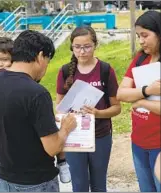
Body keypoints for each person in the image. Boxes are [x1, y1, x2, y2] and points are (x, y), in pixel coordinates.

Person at [0, 30, 77, 192]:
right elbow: (53, 147)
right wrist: (65, 128)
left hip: (3, 178)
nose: (45, 68)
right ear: (41, 56)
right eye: (47, 61)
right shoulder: (37, 93)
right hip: (35, 182)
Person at [56, 26, 121, 192]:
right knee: (79, 185)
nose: (82, 51)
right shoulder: (65, 71)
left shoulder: (106, 70)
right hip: (74, 136)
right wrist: (68, 114)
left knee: (99, 185)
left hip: (100, 136)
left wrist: (98, 113)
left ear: (95, 45)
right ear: (72, 47)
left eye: (87, 46)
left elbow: (116, 108)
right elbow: (60, 108)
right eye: (77, 47)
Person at [117, 11, 161, 192]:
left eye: (145, 35)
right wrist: (147, 91)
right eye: (138, 36)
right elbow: (120, 93)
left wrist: (140, 102)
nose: (141, 41)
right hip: (138, 141)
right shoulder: (140, 59)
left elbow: (130, 95)